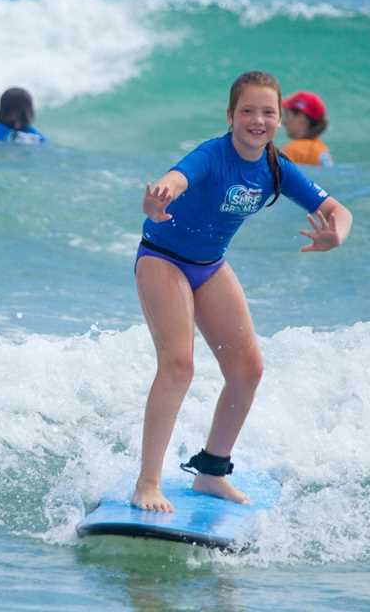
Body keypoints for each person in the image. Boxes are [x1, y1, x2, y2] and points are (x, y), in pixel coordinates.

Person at [131, 71, 353, 513]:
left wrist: (337, 234)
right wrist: (158, 200)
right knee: (178, 365)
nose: (258, 120)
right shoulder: (212, 156)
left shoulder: (276, 167)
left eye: (268, 112)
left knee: (248, 368)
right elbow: (175, 180)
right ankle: (147, 483)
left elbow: (336, 210)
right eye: (247, 111)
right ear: (230, 116)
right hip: (163, 259)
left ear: (278, 119)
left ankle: (212, 472)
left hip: (209, 265)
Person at [281, 91, 332, 167]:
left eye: (287, 115)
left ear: (302, 119)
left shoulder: (293, 150)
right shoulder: (321, 149)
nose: (283, 122)